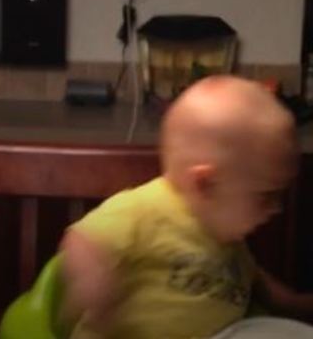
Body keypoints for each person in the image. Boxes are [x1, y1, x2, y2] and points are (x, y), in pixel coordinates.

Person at [60, 75, 313, 338]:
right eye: (265, 196)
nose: (277, 208)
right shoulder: (146, 209)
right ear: (205, 184)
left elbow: (255, 280)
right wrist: (96, 290)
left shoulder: (225, 235)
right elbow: (83, 238)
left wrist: (293, 303)